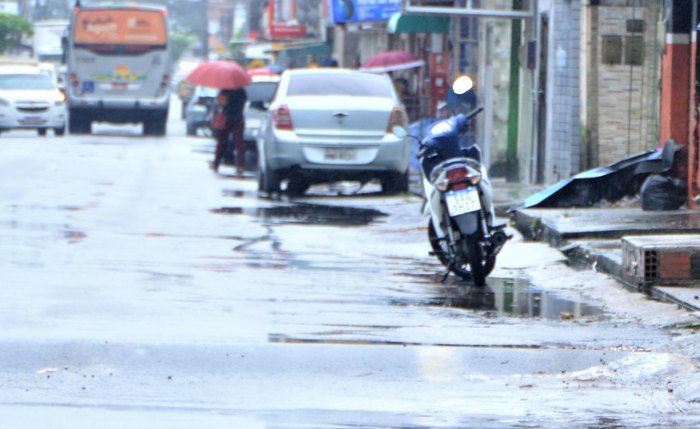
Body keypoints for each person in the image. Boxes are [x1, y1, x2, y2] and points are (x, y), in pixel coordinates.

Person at [211, 88, 247, 175]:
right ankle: (240, 166)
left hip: (226, 118)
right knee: (239, 143)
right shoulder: (241, 91)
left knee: (221, 143)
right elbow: (243, 103)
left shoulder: (224, 89)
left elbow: (220, 104)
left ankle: (216, 164)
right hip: (238, 119)